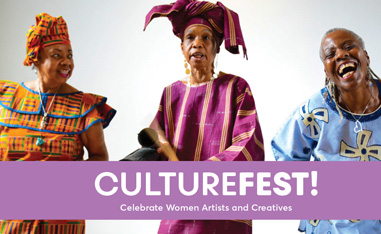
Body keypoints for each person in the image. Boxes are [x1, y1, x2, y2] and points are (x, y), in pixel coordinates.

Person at [144, 0, 264, 233]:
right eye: (190, 38)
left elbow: (248, 144)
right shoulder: (170, 94)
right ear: (182, 47)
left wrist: (202, 175)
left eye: (206, 38)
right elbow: (156, 142)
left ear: (216, 47)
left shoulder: (236, 87)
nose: (197, 43)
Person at [0, 13, 116, 233]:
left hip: (62, 223)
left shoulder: (86, 107)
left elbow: (100, 157)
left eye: (69, 55)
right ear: (35, 57)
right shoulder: (5, 98)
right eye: (56, 55)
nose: (66, 62)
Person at [271, 28, 381, 233]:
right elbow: (286, 157)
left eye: (349, 46)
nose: (341, 54)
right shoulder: (314, 111)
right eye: (331, 55)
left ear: (366, 56)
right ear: (327, 71)